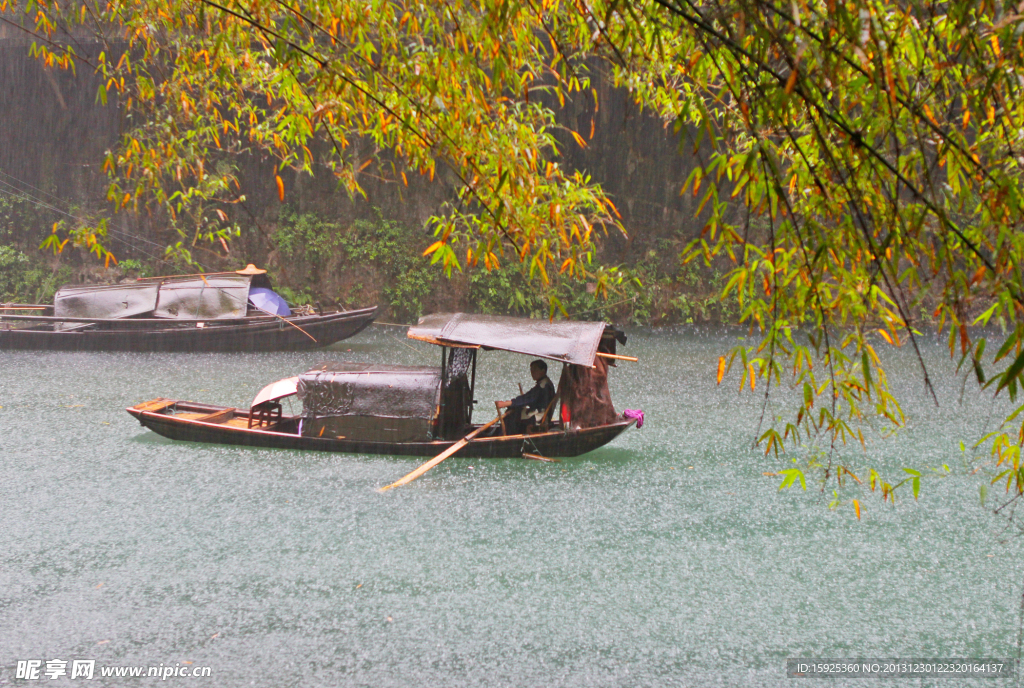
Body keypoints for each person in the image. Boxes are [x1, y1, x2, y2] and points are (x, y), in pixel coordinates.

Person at [496, 360, 555, 435]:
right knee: (514, 410)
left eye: (535, 370)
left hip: (539, 416)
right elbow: (529, 397)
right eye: (531, 370)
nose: (532, 372)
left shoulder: (543, 385)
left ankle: (506, 439)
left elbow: (529, 398)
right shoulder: (545, 383)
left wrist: (508, 403)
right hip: (539, 413)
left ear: (543, 371)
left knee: (510, 415)